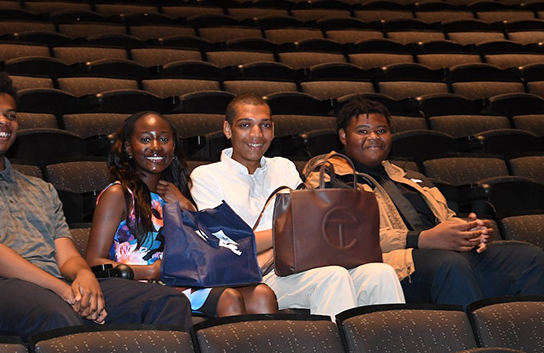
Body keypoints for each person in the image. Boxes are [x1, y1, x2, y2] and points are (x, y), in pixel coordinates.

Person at [0, 70, 192, 341]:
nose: (3, 121)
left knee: (166, 301)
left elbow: (66, 255)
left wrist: (84, 276)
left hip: (53, 287)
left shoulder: (39, 188)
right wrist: (63, 290)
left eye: (11, 115)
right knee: (57, 314)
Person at [190, 94, 405, 319]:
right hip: (253, 276)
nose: (257, 134)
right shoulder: (206, 176)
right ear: (227, 129)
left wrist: (282, 240)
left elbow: (308, 226)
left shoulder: (283, 167)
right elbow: (229, 244)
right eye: (245, 125)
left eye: (265, 126)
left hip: (297, 265)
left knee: (381, 273)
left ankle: (392, 350)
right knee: (332, 276)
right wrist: (283, 237)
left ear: (273, 130)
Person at [326, 96, 544, 307]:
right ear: (344, 136)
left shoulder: (411, 177)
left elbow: (446, 219)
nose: (374, 136)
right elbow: (346, 239)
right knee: (449, 265)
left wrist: (468, 232)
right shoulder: (331, 178)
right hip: (388, 264)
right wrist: (423, 239)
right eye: (363, 131)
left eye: (381, 131)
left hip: (442, 254)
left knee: (527, 257)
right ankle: (474, 342)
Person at [85, 111, 278, 318]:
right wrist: (150, 271)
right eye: (145, 139)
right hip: (138, 287)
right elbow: (93, 260)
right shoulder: (118, 194)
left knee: (262, 294)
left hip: (181, 281)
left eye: (164, 139)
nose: (157, 146)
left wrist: (186, 207)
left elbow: (204, 249)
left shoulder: (176, 195)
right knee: (228, 297)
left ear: (173, 148)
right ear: (128, 148)